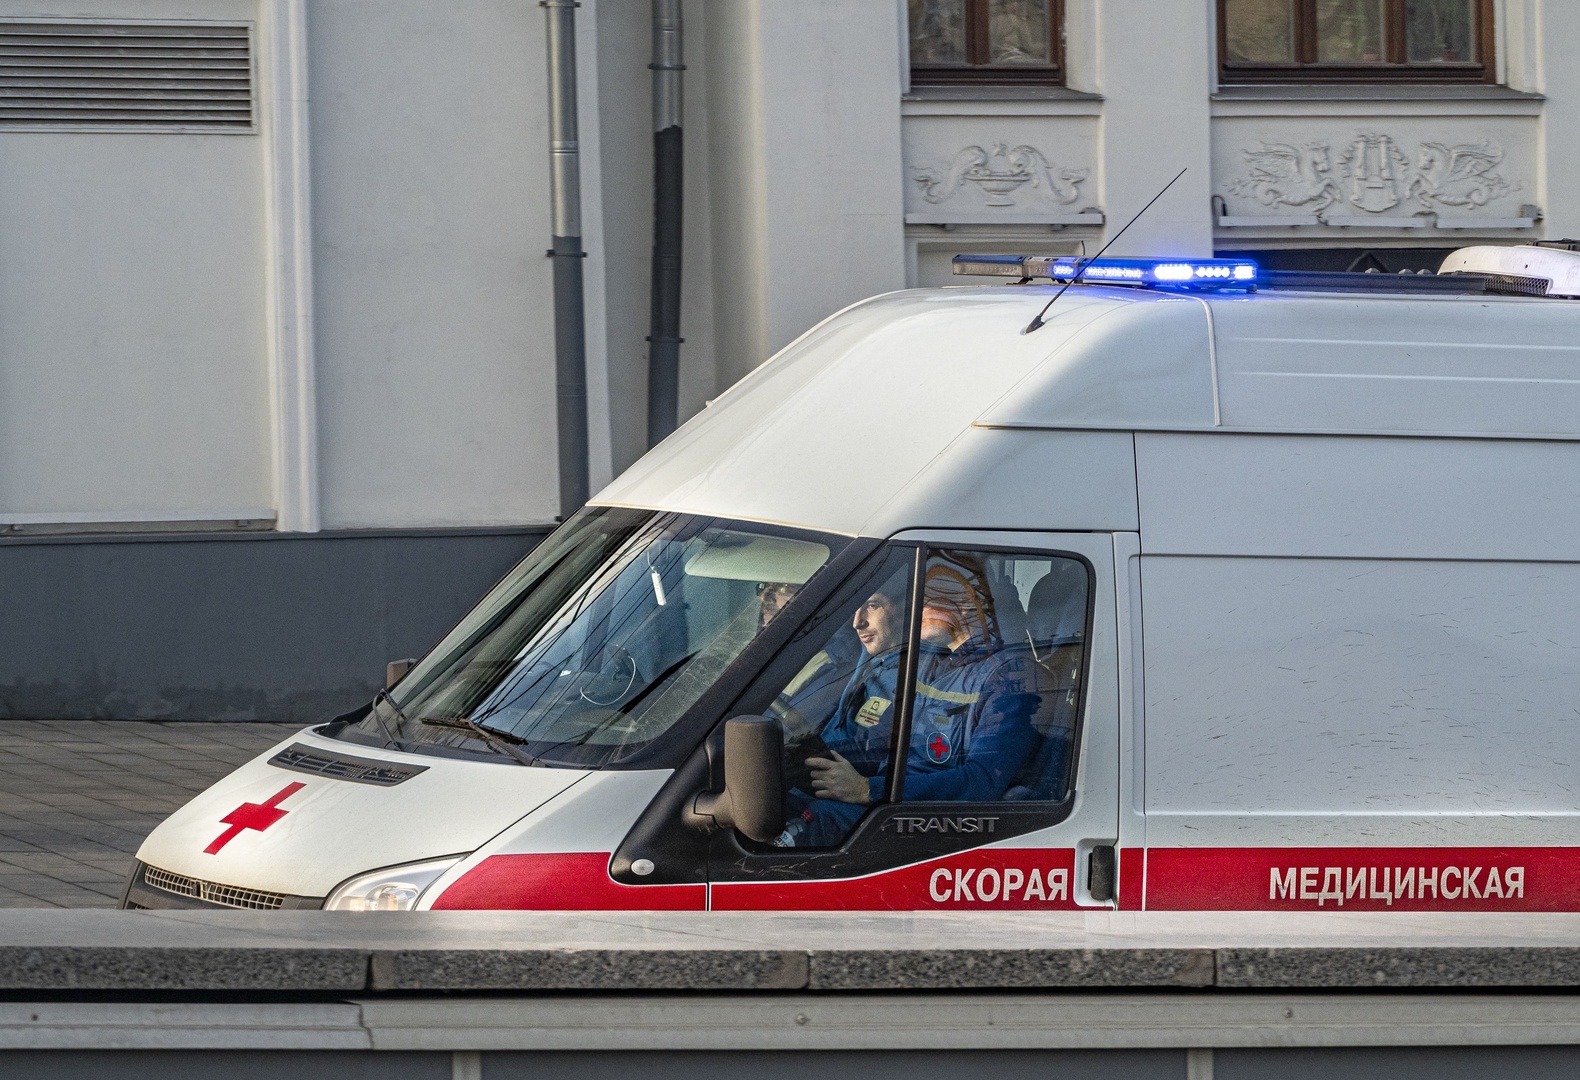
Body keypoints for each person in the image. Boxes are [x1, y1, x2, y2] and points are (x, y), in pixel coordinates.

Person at [776, 558, 1040, 847]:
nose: (916, 611)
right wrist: (810, 760)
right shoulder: (929, 664)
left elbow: (981, 781)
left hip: (932, 827)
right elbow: (885, 747)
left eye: (928, 601)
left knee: (814, 823)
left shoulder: (1007, 676)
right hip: (897, 804)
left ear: (965, 604)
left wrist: (868, 789)